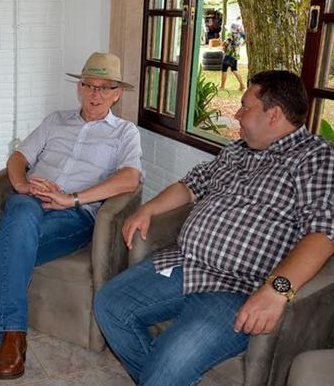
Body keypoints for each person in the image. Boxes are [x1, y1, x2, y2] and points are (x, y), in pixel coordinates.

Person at [94, 70, 334, 386]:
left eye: (245, 106)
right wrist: (148, 208)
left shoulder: (315, 158)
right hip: (184, 264)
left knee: (169, 362)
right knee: (109, 304)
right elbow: (191, 185)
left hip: (238, 288)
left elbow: (323, 233)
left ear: (273, 115)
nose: (237, 114)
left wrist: (277, 290)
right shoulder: (237, 150)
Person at [0, 52, 143, 382]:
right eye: (89, 85)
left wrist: (71, 199)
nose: (95, 95)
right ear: (79, 87)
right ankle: (12, 339)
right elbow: (20, 156)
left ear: (117, 93)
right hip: (30, 202)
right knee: (19, 212)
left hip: (74, 217)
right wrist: (21, 184)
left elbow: (130, 179)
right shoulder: (55, 121)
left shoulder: (125, 134)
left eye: (105, 88)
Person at [220, 22, 246, 91]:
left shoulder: (231, 34)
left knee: (224, 69)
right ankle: (242, 85)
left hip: (229, 54)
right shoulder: (240, 35)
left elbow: (227, 42)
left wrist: (222, 46)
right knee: (234, 69)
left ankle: (222, 86)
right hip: (236, 54)